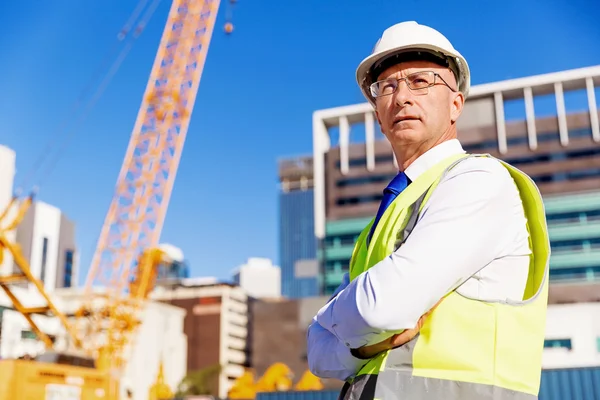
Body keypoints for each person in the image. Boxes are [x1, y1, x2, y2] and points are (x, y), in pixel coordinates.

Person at [306, 21, 550, 400]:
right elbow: (317, 356)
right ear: (377, 114)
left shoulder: (479, 180)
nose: (401, 96)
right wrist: (361, 347)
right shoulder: (384, 220)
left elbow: (379, 309)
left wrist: (330, 319)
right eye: (387, 86)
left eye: (420, 81)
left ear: (456, 105)